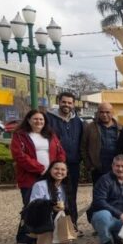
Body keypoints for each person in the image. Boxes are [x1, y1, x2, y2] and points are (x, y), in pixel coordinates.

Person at [10, 110, 66, 244]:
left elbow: (60, 152)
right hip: (30, 176)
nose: (39, 122)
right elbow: (19, 155)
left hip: (50, 176)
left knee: (48, 205)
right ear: (28, 120)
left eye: (41, 119)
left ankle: (41, 234)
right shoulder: (20, 135)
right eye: (35, 119)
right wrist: (40, 168)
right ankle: (24, 237)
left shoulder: (50, 135)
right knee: (29, 206)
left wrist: (58, 167)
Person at [46, 91, 83, 234]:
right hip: (55, 165)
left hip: (73, 164)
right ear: (59, 101)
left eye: (69, 102)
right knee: (53, 194)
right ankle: (50, 227)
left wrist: (79, 157)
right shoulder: (49, 119)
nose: (66, 105)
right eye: (64, 102)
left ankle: (72, 225)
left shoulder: (77, 121)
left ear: (73, 104)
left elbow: (81, 141)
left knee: (71, 195)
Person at [26, 161, 74, 244]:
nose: (59, 171)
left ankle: (58, 243)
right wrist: (50, 206)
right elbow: (34, 204)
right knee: (47, 214)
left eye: (63, 169)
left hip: (58, 214)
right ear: (50, 170)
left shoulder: (65, 187)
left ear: (67, 172)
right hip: (41, 215)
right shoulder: (40, 185)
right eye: (56, 168)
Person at [81, 102, 122, 183]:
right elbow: (83, 147)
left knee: (115, 193)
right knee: (98, 193)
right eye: (102, 112)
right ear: (98, 113)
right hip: (97, 169)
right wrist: (89, 165)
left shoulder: (120, 128)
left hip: (116, 168)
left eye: (107, 112)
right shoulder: (90, 128)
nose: (104, 115)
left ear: (112, 112)